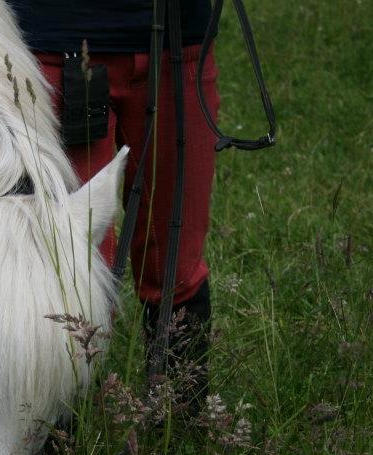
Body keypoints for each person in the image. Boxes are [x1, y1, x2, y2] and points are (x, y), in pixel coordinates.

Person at [12, 0, 219, 409]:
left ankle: (178, 435)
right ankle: (56, 442)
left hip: (178, 43)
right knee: (66, 264)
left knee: (176, 263)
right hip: (55, 45)